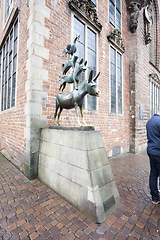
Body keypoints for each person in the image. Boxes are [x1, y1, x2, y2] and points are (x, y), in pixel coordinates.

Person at [146, 113, 160, 204]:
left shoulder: (149, 121)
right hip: (158, 152)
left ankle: (154, 198)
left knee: (153, 174)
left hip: (151, 151)